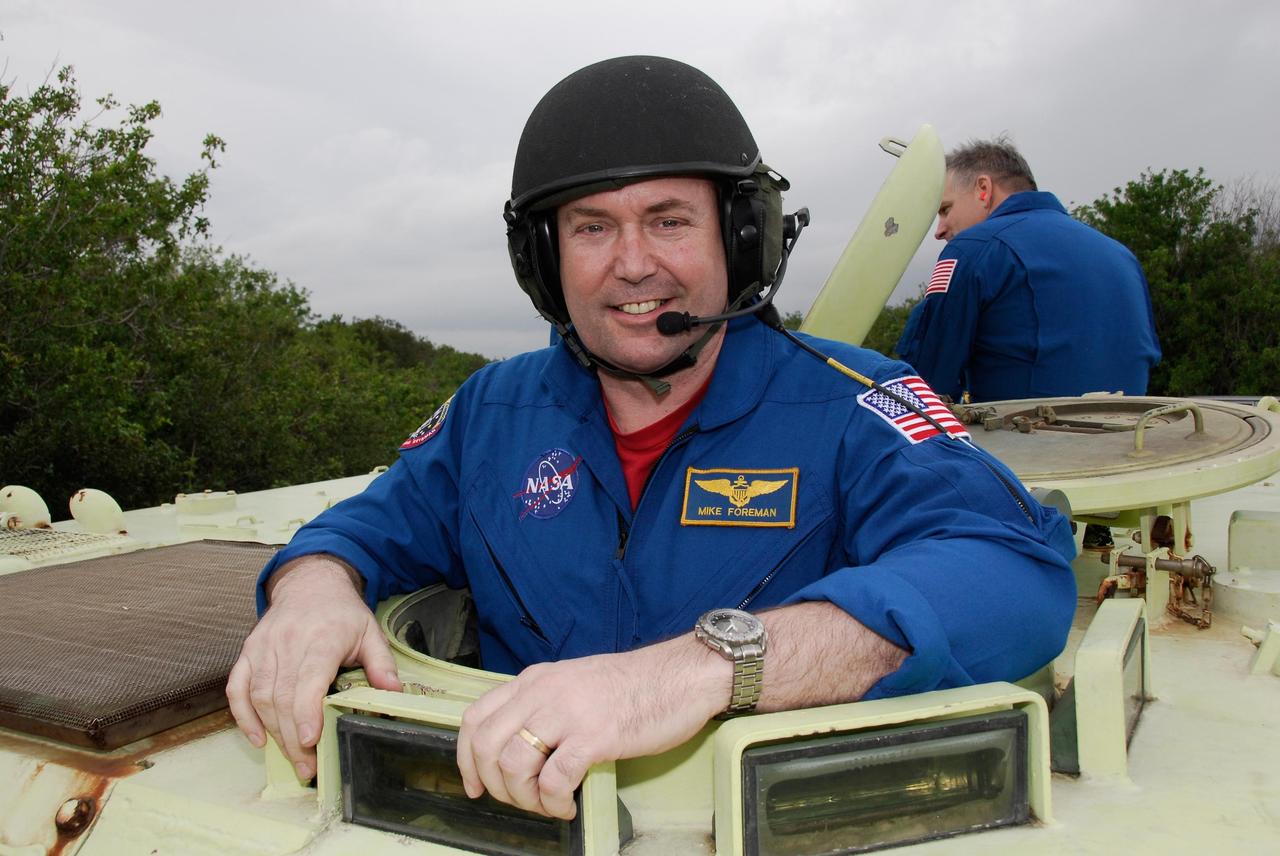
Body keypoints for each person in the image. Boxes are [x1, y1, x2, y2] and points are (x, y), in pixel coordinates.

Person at [226, 57, 1077, 822]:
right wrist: (311, 591)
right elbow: (360, 529)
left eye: (669, 220)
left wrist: (697, 672)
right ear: (542, 260)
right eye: (592, 227)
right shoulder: (494, 412)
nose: (632, 264)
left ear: (742, 238)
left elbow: (1016, 577)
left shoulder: (856, 402)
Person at [896, 137, 1162, 402]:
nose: (940, 230)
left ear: (983, 189)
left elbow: (924, 383)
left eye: (945, 209)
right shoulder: (1122, 255)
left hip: (1024, 440)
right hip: (1132, 436)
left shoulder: (972, 248)